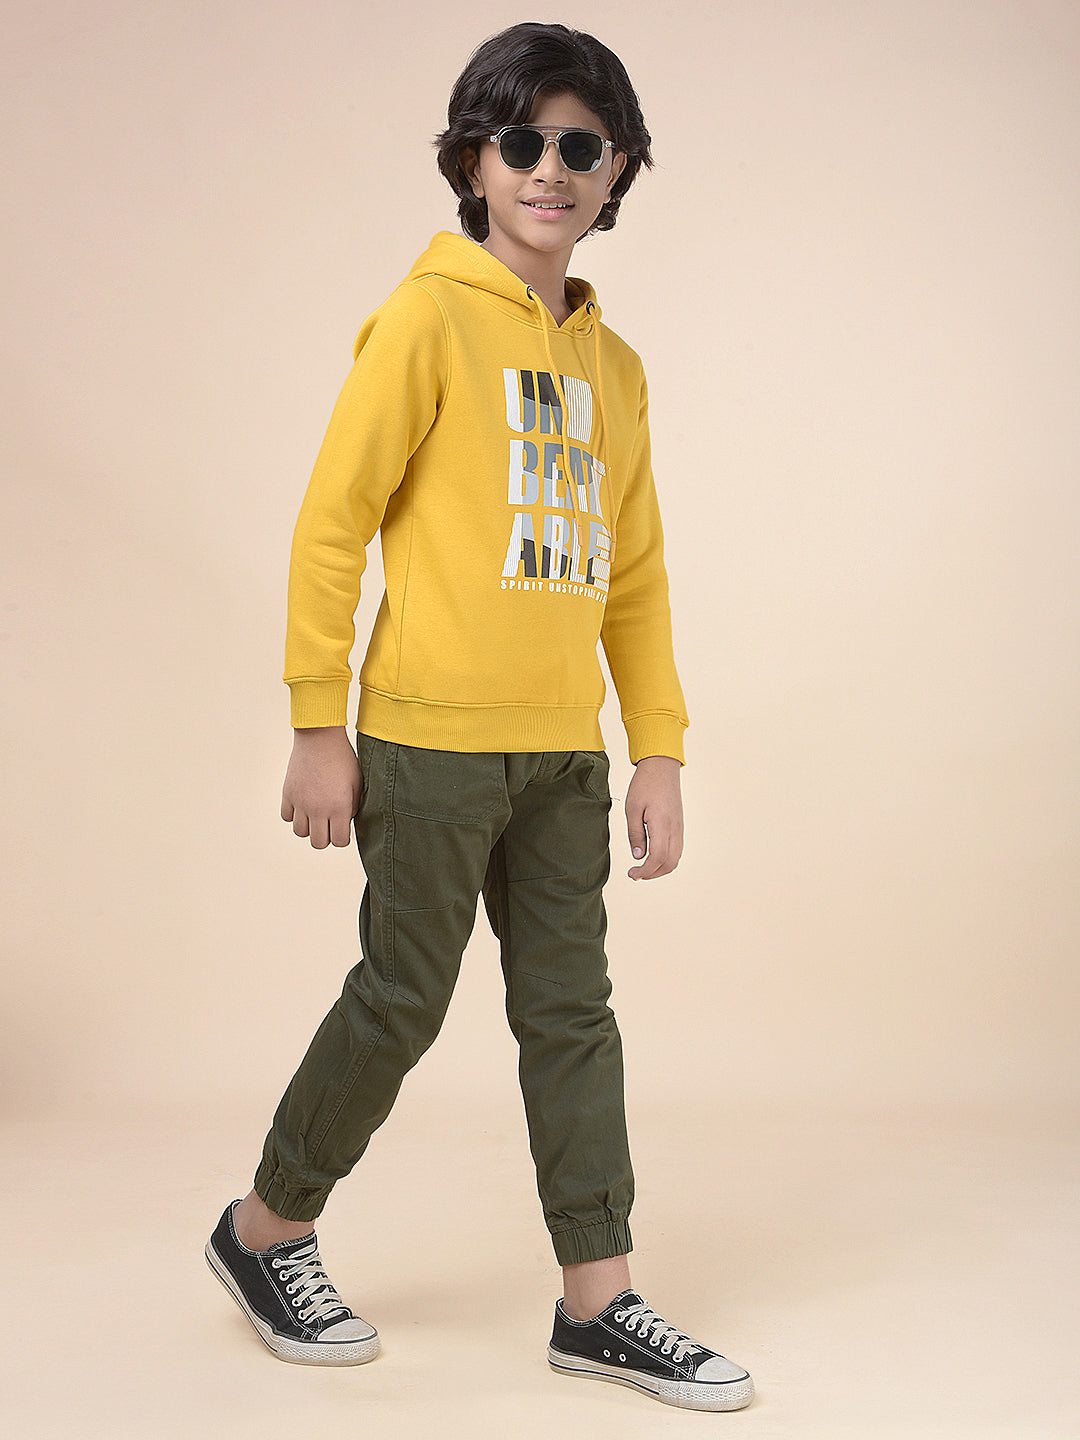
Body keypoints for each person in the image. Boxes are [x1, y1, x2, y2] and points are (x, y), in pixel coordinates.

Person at [205, 21, 754, 1413]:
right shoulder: (426, 319)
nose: (549, 168)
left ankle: (599, 1302)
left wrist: (659, 746)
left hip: (561, 753)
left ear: (617, 169)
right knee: (403, 996)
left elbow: (635, 574)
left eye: (581, 145)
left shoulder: (615, 369)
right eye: (521, 142)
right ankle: (264, 1229)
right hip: (427, 742)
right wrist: (318, 722)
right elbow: (333, 525)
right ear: (473, 162)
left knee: (573, 1015)